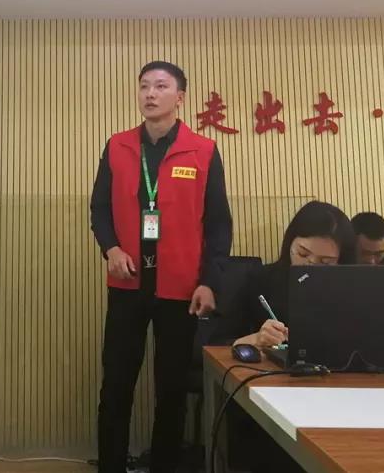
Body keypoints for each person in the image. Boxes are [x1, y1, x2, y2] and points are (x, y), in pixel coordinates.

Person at [89, 60, 232, 473]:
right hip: (127, 283)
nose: (150, 94)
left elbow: (219, 225)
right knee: (116, 385)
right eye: (144, 86)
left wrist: (209, 282)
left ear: (180, 97)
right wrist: (111, 249)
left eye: (161, 86)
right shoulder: (118, 146)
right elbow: (99, 209)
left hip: (180, 288)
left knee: (171, 391)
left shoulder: (203, 150)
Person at [232, 200, 357, 350]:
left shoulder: (351, 290)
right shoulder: (260, 280)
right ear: (289, 243)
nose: (309, 266)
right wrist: (257, 339)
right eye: (302, 253)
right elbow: (220, 344)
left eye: (325, 262)